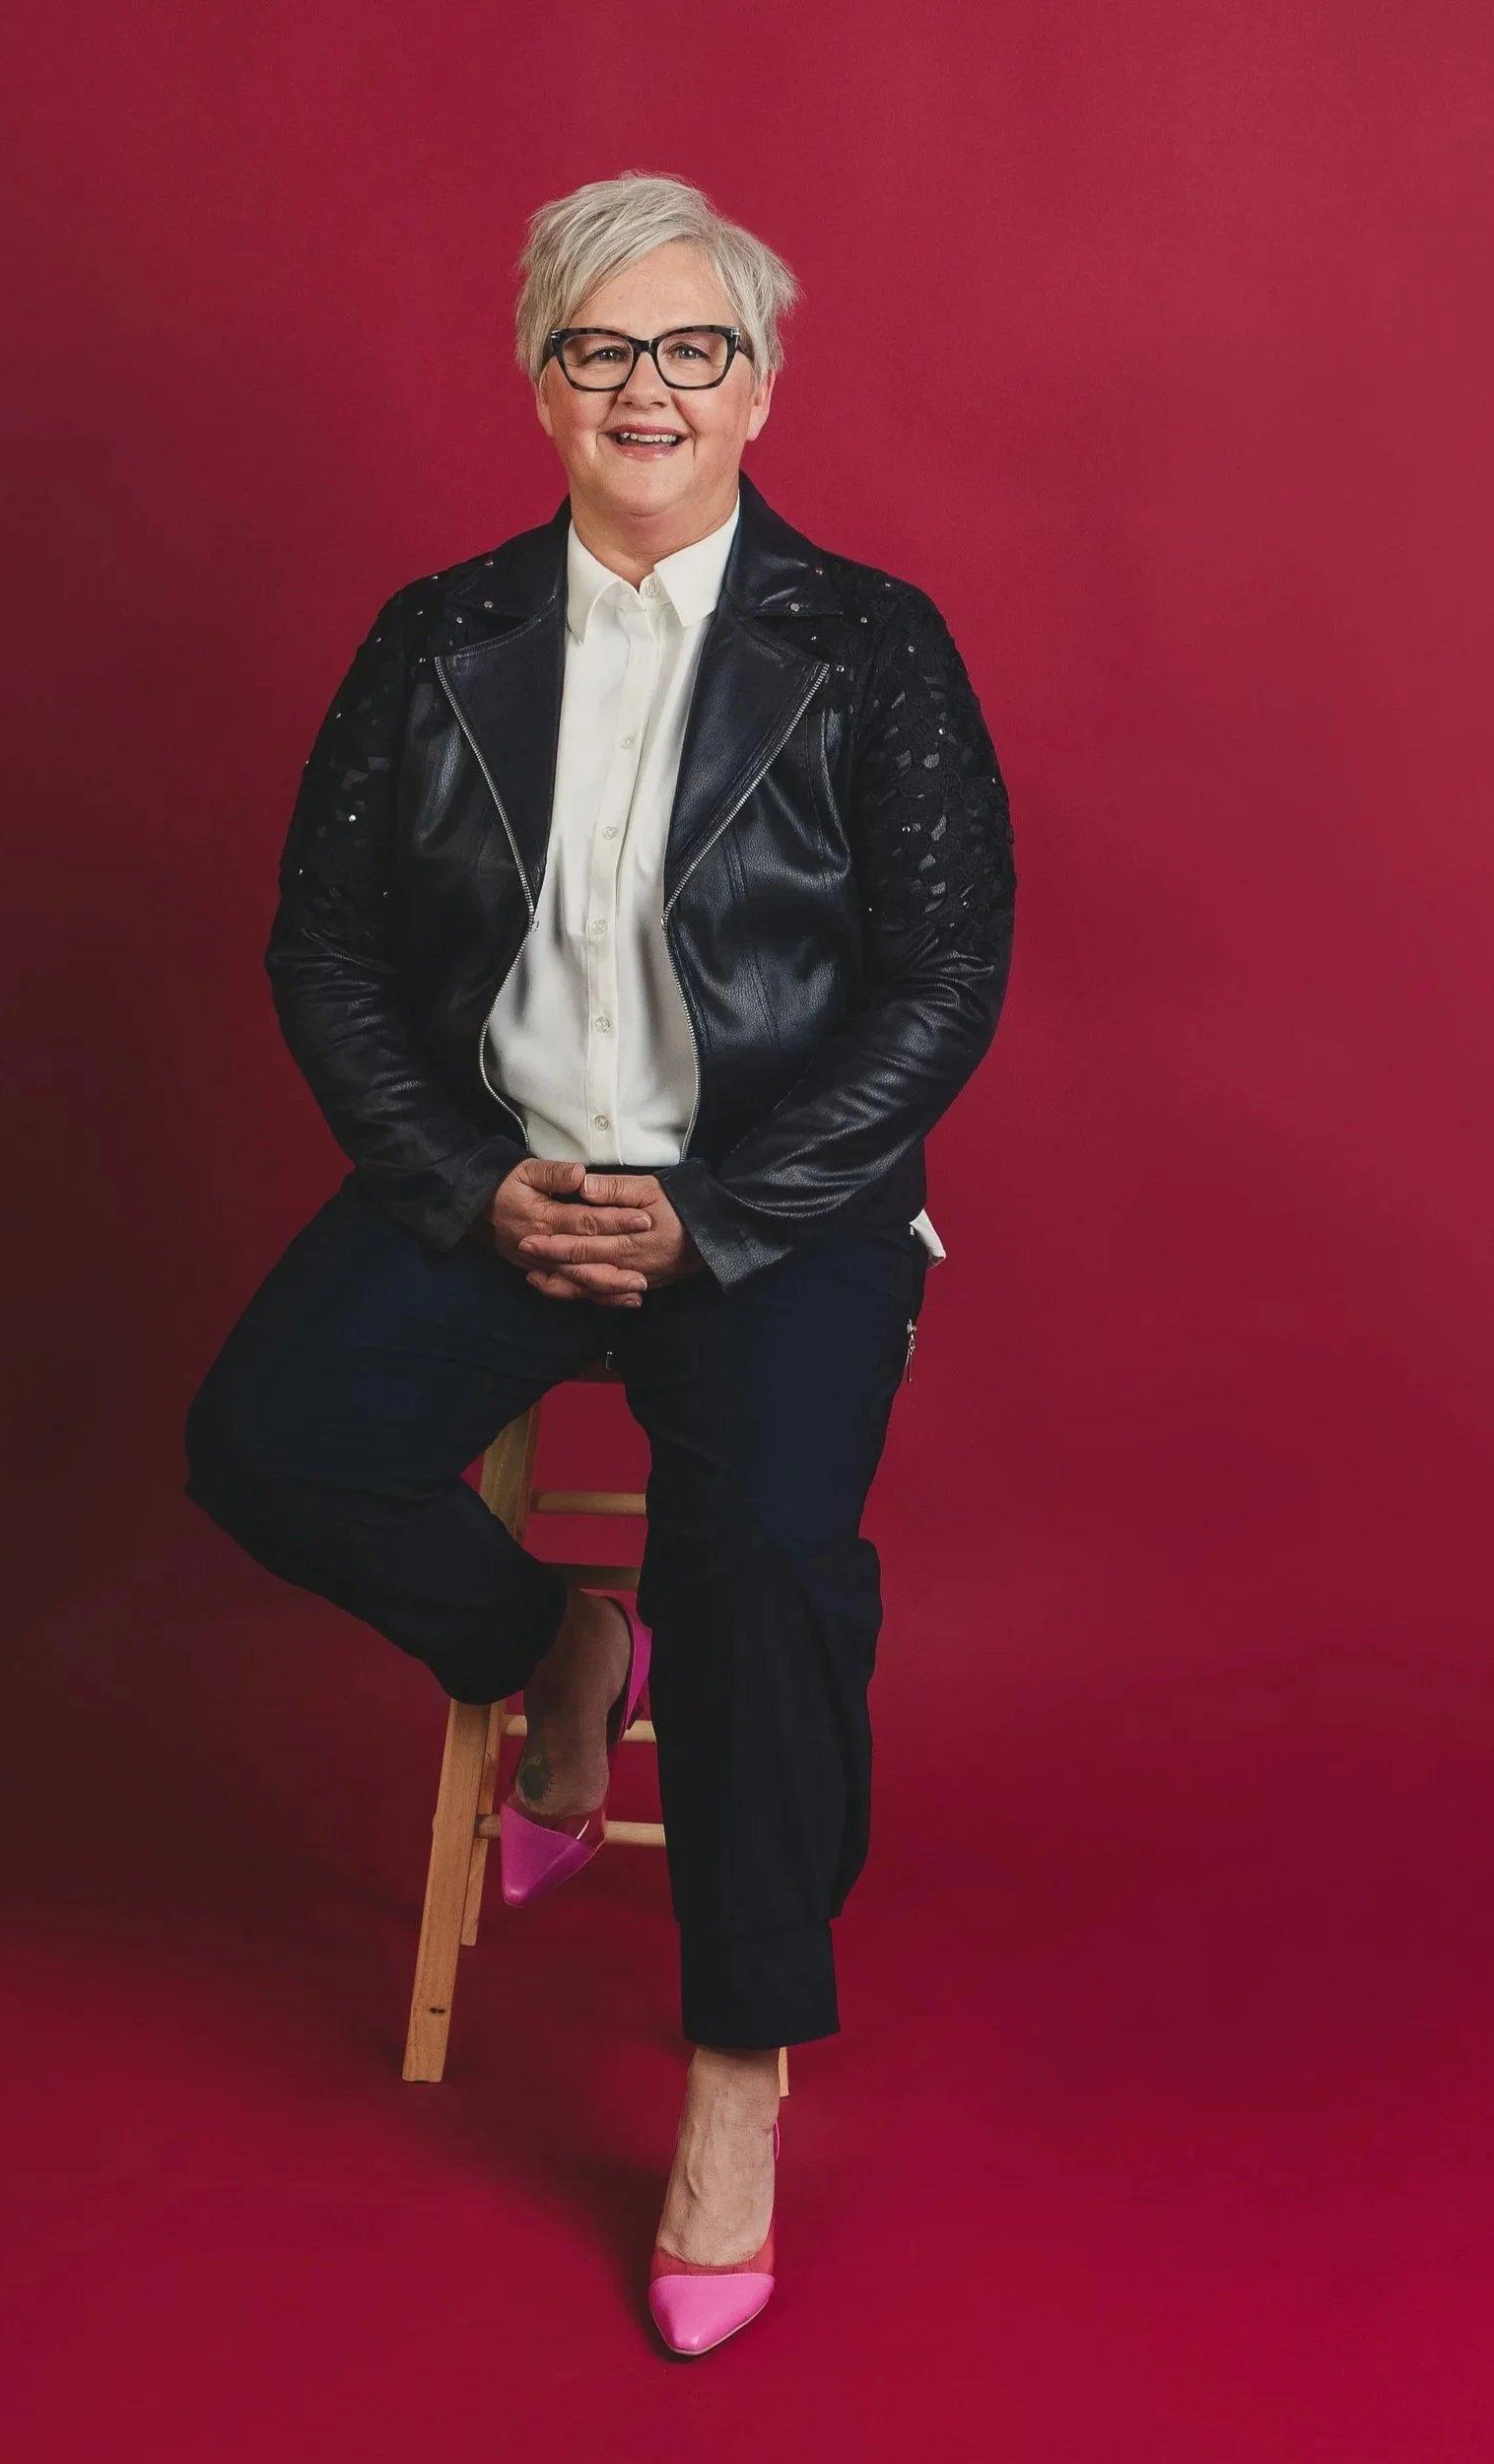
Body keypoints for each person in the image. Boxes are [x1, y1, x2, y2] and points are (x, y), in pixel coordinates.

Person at [182, 169, 1016, 2356]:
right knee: (267, 1440)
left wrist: (725, 1207)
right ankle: (559, 1644)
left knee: (759, 1575)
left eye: (692, 349)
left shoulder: (873, 644)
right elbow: (327, 952)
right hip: (511, 1186)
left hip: (773, 1218)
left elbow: (942, 978)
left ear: (758, 385)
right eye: (599, 347)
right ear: (538, 379)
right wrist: (469, 1180)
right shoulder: (434, 634)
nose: (645, 389)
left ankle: (730, 2073)